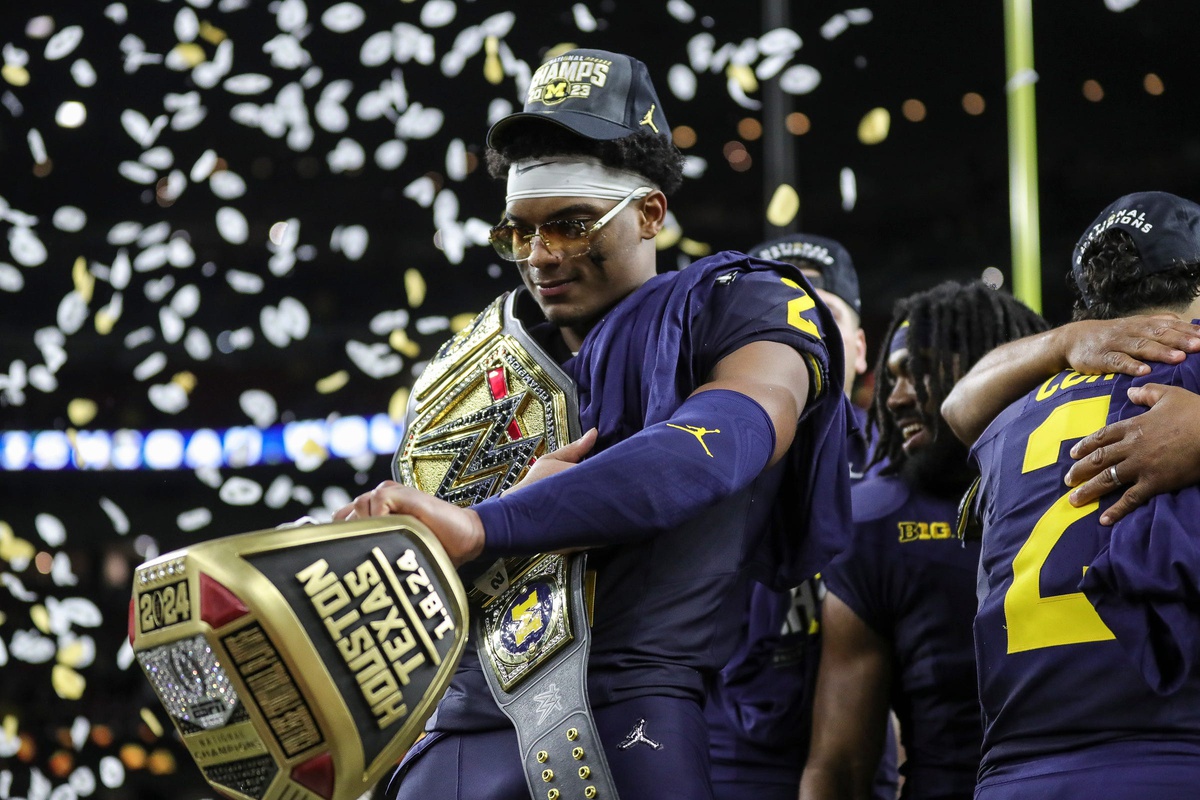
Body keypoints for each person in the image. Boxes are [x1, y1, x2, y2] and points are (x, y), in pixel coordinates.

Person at [335, 48, 853, 799]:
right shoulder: (473, 361)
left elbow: (718, 445)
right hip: (450, 734)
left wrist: (491, 525)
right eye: (519, 232)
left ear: (650, 214)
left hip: (618, 720)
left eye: (571, 226)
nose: (540, 257)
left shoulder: (741, 302)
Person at [946, 191, 1200, 799]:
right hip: (1170, 752)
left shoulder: (1009, 417)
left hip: (1017, 768)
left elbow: (956, 407)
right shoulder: (1189, 363)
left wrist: (1065, 340)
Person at [800, 280, 1048, 800]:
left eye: (919, 371)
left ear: (990, 369)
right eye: (891, 377)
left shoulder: (1093, 479)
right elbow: (840, 765)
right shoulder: (877, 523)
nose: (895, 398)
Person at [705, 232, 898, 800]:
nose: (801, 327)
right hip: (718, 762)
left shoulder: (895, 469)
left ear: (860, 348)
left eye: (823, 312)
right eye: (774, 309)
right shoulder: (695, 451)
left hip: (858, 762)